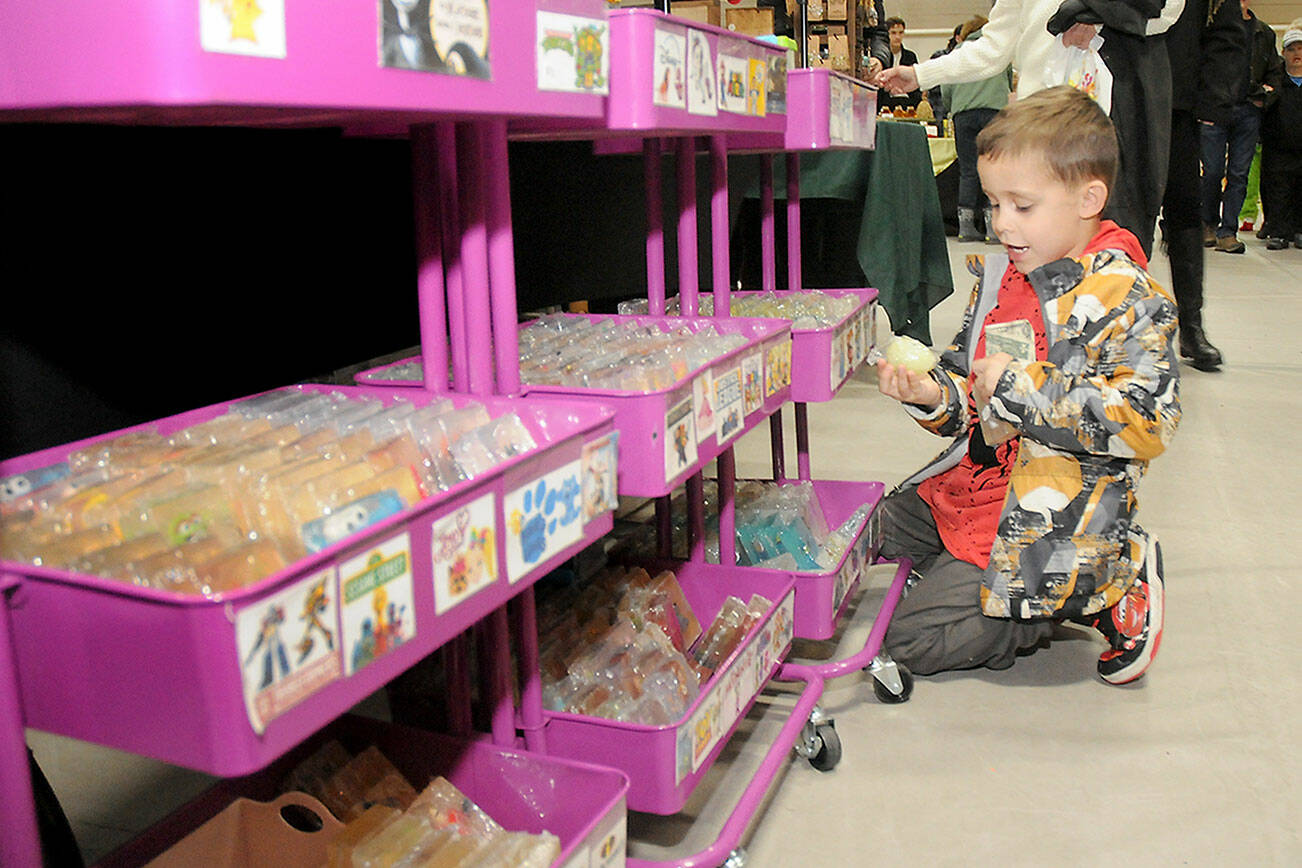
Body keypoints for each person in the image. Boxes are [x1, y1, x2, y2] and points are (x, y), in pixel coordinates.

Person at [873, 87, 1179, 684]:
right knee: (865, 533)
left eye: (1022, 206)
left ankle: (1108, 582)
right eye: (993, 203)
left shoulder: (1128, 298)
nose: (1001, 224)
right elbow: (974, 400)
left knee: (907, 642)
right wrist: (933, 396)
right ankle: (973, 572)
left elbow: (1147, 422)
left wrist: (1020, 387)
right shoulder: (1006, 277)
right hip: (971, 492)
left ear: (1090, 198)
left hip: (1048, 519)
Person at [874, 0, 1183, 259]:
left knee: (1116, 249)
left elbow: (1168, 10)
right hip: (1041, 133)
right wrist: (921, 74)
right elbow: (994, 48)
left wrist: (1099, 16)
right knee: (1037, 247)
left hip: (1118, 124)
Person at [1158, 0, 1246, 372]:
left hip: (1180, 104)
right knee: (1118, 212)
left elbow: (1226, 36)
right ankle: (1116, 324)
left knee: (1185, 213)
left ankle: (1191, 327)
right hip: (1120, 95)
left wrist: (1212, 101)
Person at [1199, 0, 1281, 254]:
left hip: (1248, 110)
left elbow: (1274, 72)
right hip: (1215, 107)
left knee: (1239, 173)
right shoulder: (1209, 27)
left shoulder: (1263, 32)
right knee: (1212, 170)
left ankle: (1228, 231)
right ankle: (1208, 222)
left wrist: (1264, 97)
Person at [941, 17, 1012, 243]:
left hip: (964, 114)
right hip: (993, 113)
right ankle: (993, 228)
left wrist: (954, 108)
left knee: (969, 170)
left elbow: (946, 87)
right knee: (995, 168)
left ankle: (965, 227)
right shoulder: (998, 49)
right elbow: (1009, 82)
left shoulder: (958, 52)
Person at [1261, 28, 1302, 250]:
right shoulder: (1276, 83)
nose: (1297, 54)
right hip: (1278, 147)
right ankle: (1278, 231)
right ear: (1283, 53)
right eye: (1292, 49)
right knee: (1278, 190)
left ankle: (1299, 229)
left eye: (1301, 49)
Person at [877, 16, 922, 111]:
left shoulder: (910, 56)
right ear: (887, 34)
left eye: (901, 33)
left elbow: (916, 83)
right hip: (885, 102)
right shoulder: (881, 57)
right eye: (893, 33)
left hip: (907, 103)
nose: (897, 37)